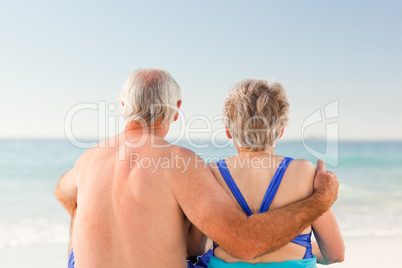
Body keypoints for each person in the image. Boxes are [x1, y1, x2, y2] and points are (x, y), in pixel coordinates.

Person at [54, 68, 339, 268]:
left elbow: (63, 194)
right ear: (177, 108)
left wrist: (80, 228)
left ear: (122, 104)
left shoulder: (87, 160)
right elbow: (244, 243)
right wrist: (320, 200)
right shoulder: (179, 161)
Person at [187, 78, 344, 267]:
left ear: (228, 131)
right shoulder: (304, 172)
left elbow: (193, 249)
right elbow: (335, 254)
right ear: (281, 131)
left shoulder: (211, 174)